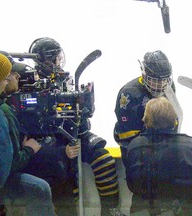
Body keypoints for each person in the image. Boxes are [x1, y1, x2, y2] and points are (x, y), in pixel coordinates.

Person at [27, 37, 124, 216]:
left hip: (74, 131)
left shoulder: (65, 77)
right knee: (65, 172)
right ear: (41, 61)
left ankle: (111, 210)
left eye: (58, 57)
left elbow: (81, 112)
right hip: (50, 136)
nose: (58, 62)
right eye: (53, 59)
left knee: (104, 159)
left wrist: (85, 106)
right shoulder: (30, 83)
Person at [0, 50, 56, 216]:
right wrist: (29, 149)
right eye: (5, 77)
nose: (7, 82)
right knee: (40, 188)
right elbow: (1, 170)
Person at [125, 96, 192, 216]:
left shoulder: (134, 146)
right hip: (185, 211)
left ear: (145, 121)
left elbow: (131, 184)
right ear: (174, 121)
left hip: (143, 211)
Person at [114, 50, 182, 166]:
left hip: (161, 148)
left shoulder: (168, 87)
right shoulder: (129, 94)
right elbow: (128, 136)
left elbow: (171, 119)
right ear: (144, 74)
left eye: (164, 79)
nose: (161, 85)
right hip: (136, 151)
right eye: (155, 80)